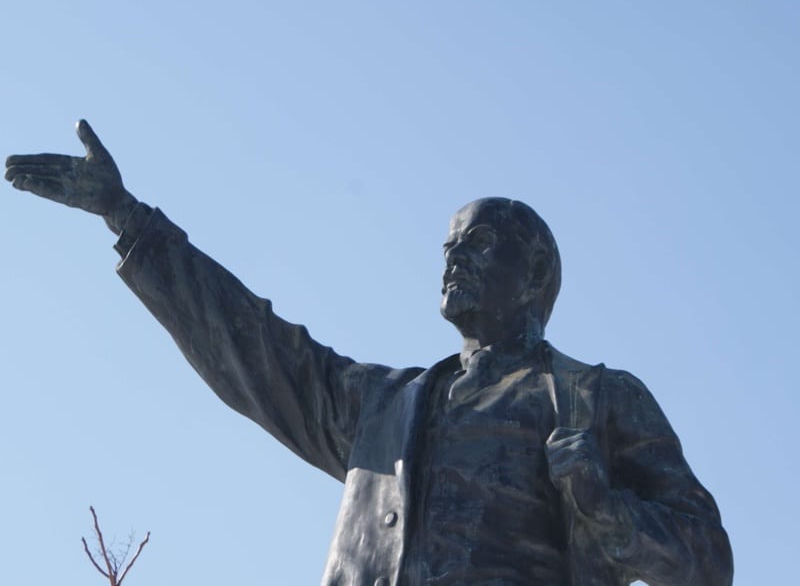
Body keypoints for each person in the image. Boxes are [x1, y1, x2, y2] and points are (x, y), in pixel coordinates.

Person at [5, 121, 733, 585]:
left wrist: (606, 511)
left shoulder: (596, 398)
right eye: (448, 247)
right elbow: (255, 347)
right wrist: (130, 220)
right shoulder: (385, 405)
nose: (452, 260)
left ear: (536, 273)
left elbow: (707, 557)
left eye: (477, 245)